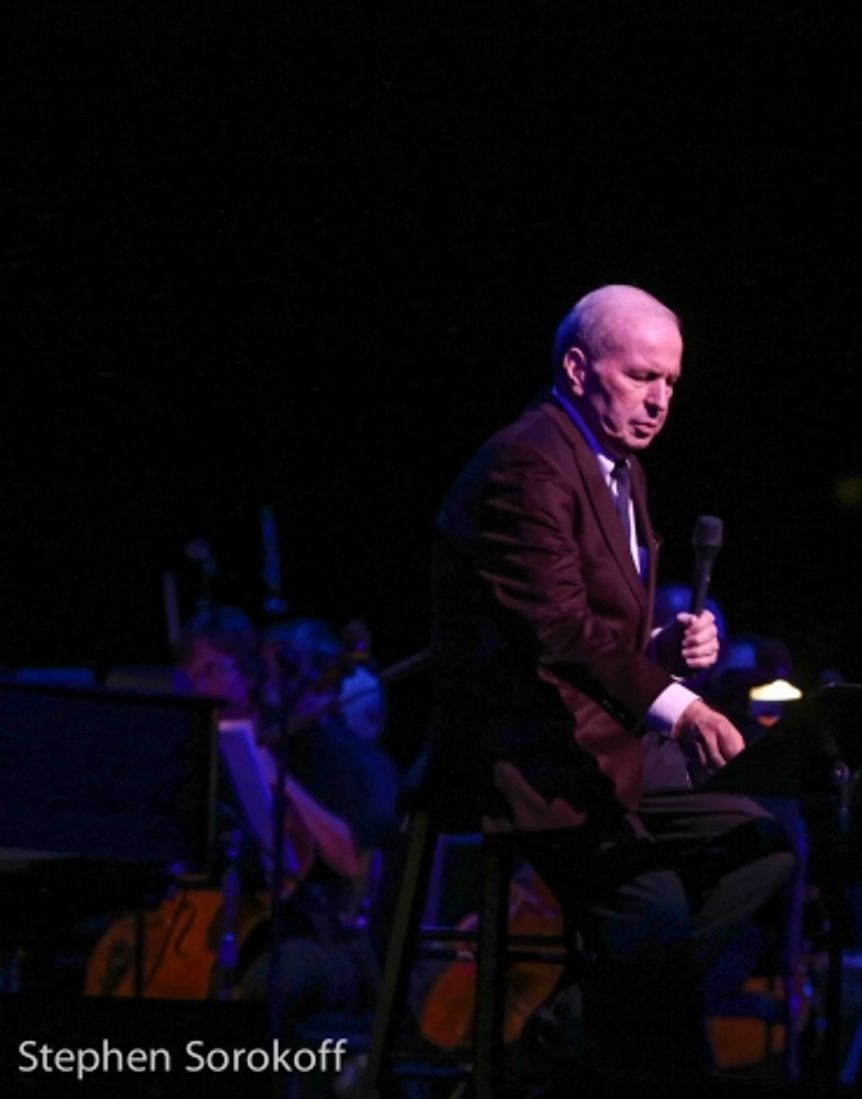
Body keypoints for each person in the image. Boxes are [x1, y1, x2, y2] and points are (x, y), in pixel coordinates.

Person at [425, 284, 795, 1089]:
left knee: (762, 846)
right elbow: (554, 627)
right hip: (534, 752)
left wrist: (661, 647)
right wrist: (678, 701)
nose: (660, 400)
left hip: (604, 739)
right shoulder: (528, 460)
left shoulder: (619, 464)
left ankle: (566, 1036)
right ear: (578, 366)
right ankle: (560, 1055)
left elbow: (593, 629)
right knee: (654, 917)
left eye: (671, 382)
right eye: (642, 378)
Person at [175, 608, 400, 1032]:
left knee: (268, 982)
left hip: (336, 935)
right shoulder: (251, 747)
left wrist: (276, 776)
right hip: (264, 921)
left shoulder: (338, 754)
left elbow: (354, 860)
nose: (270, 686)